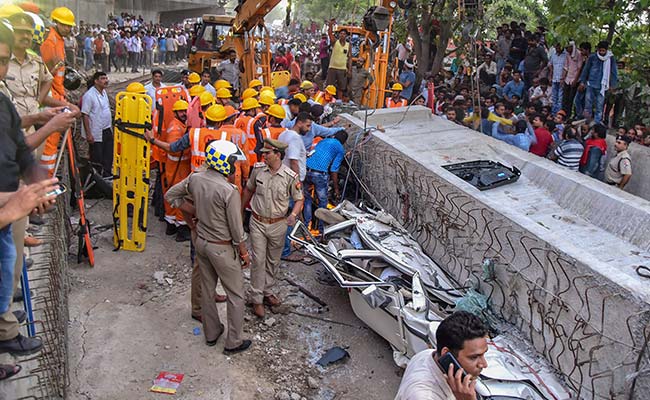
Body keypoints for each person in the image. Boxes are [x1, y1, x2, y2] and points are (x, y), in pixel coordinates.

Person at [175, 140, 252, 354]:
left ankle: (211, 333)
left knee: (208, 290)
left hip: (202, 243)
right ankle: (233, 342)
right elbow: (236, 229)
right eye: (232, 161)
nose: (235, 165)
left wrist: (193, 218)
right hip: (222, 248)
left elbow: (171, 196)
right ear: (223, 162)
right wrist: (244, 252)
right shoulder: (229, 190)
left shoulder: (195, 178)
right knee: (236, 295)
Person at [0, 21, 47, 357]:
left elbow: (19, 147)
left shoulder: (3, 104)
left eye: (3, 61)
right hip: (5, 204)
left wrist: (37, 183)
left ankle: (3, 321)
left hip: (7, 200)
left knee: (7, 266)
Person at [241, 138, 304, 318]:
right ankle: (256, 298)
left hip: (278, 224)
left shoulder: (290, 176)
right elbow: (248, 190)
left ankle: (267, 291)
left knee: (273, 261)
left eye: (267, 153)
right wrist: (239, 212)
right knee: (258, 260)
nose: (264, 156)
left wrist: (293, 215)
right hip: (258, 223)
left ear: (278, 154)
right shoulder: (258, 170)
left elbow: (299, 199)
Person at [394, 311, 489, 400]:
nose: (484, 364)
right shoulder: (423, 396)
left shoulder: (427, 354)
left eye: (483, 354)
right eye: (473, 357)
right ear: (446, 353)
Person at [303, 130, 347, 234]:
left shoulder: (323, 141)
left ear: (334, 136)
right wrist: (336, 189)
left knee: (307, 199)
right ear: (344, 142)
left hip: (306, 170)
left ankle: (306, 226)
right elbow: (334, 169)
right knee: (322, 202)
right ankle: (321, 229)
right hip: (319, 174)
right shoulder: (340, 149)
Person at [81, 71, 113, 176]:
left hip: (106, 129)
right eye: (103, 78)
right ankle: (96, 178)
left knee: (108, 155)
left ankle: (107, 176)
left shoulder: (104, 93)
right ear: (96, 81)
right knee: (97, 157)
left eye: (106, 78)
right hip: (96, 131)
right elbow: (85, 114)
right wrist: (89, 134)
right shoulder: (89, 95)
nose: (106, 81)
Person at [579, 41, 617, 124]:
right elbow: (586, 70)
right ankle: (586, 122)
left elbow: (613, 72)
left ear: (606, 50)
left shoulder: (610, 58)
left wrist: (613, 85)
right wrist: (582, 81)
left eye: (603, 51)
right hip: (591, 84)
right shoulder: (592, 57)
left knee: (599, 106)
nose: (602, 53)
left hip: (602, 86)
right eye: (600, 51)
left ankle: (597, 123)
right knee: (588, 105)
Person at [326, 21, 350, 98]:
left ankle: (339, 100)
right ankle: (328, 99)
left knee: (341, 87)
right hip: (332, 68)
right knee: (330, 86)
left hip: (342, 69)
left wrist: (349, 70)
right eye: (341, 33)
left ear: (346, 36)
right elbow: (330, 34)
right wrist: (330, 25)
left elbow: (350, 58)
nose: (342, 35)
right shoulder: (335, 42)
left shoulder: (348, 45)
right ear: (339, 35)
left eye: (344, 34)